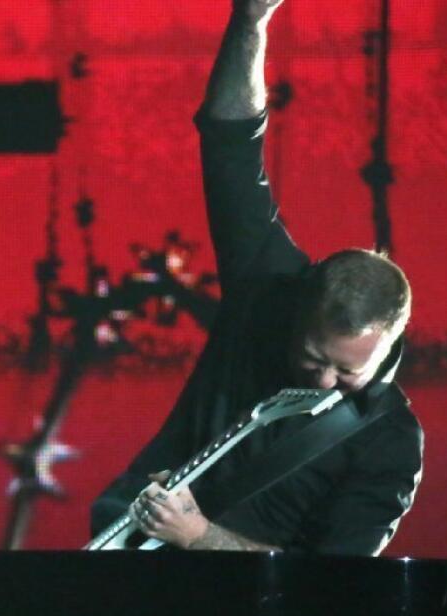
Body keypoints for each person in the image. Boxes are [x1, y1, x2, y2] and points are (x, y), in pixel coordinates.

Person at [92, 0, 423, 556]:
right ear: (299, 310)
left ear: (389, 343)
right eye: (314, 358)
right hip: (130, 560)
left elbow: (335, 591)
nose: (322, 381)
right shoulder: (267, 287)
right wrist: (250, 21)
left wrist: (199, 537)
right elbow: (230, 143)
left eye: (347, 370)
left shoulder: (390, 439)